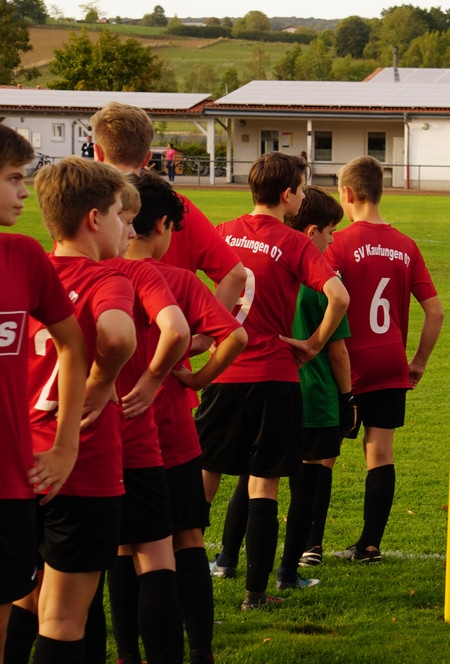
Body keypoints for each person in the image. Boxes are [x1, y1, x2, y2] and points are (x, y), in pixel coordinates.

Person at [196, 151, 349, 610]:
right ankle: (255, 595)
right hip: (274, 378)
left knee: (204, 480)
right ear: (286, 195)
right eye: (300, 190)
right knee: (263, 485)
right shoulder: (296, 243)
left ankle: (183, 582)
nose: (302, 197)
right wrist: (315, 344)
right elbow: (338, 296)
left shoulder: (221, 232)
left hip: (223, 372)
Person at [124, 171, 247, 664]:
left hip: (113, 430)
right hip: (170, 429)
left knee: (125, 548)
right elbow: (235, 336)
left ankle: (127, 653)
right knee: (187, 539)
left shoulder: (95, 275)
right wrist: (197, 380)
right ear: (161, 226)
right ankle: (200, 652)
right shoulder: (174, 280)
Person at [20, 157, 137, 664]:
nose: (124, 227)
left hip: (21, 458)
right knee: (64, 619)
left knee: (22, 598)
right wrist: (102, 379)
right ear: (94, 218)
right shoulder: (106, 279)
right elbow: (117, 334)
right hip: (82, 463)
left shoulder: (25, 274)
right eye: (119, 214)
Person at [325, 156, 443, 563]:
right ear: (379, 192)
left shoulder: (336, 243)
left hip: (346, 360)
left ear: (347, 194)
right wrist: (419, 362)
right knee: (380, 452)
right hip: (391, 362)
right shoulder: (406, 245)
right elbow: (435, 312)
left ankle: (309, 547)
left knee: (324, 454)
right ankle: (370, 545)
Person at [0, 128, 88, 661]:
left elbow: (74, 346)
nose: (23, 191)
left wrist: (65, 445)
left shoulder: (24, 256)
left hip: (10, 483)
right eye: (13, 178)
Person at [106, 181, 191, 664]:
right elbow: (182, 330)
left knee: (64, 591)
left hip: (61, 446)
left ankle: (124, 655)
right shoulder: (137, 273)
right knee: (159, 555)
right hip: (142, 439)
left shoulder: (42, 269)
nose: (129, 231)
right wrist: (158, 376)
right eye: (123, 220)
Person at [90, 102, 246, 311]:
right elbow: (235, 274)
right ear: (147, 157)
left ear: (98, 152)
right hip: (168, 324)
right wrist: (208, 327)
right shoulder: (175, 205)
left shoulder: (83, 208)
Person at [278, 185, 354, 578]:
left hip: (273, 387)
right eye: (330, 231)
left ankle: (228, 557)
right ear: (311, 232)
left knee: (260, 480)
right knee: (317, 470)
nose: (333, 239)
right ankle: (308, 548)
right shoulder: (323, 280)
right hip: (316, 392)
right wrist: (348, 398)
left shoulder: (270, 266)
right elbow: (338, 352)